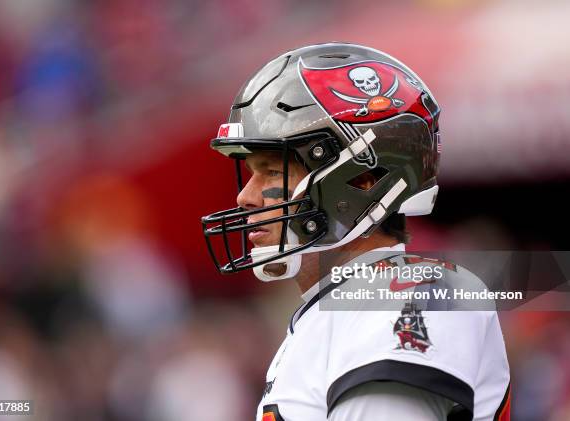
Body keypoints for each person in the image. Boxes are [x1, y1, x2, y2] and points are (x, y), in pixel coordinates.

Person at [201, 43, 510, 420]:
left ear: (362, 180)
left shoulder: (408, 294)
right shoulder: (335, 309)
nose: (245, 196)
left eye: (271, 170)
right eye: (251, 172)